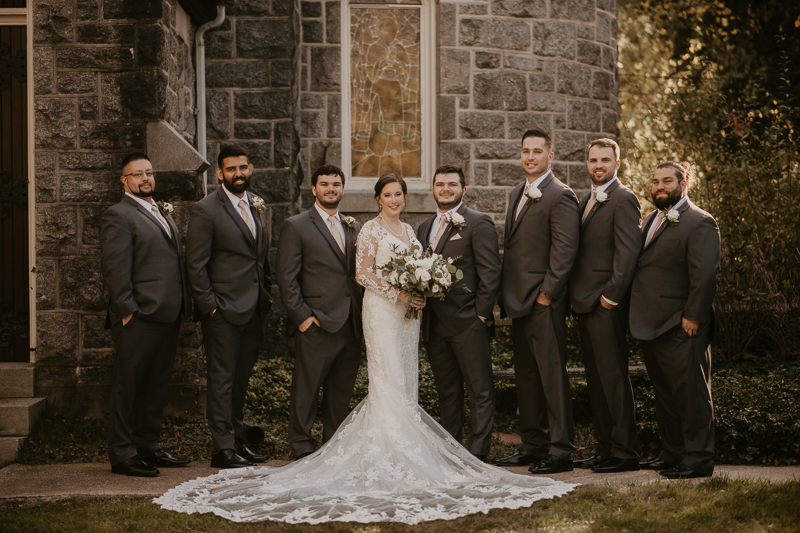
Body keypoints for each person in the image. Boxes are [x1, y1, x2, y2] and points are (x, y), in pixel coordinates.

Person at [155, 173, 576, 524]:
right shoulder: (369, 229)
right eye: (387, 194)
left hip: (409, 318)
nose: (394, 199)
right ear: (377, 199)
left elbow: (429, 272)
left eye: (399, 194)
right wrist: (400, 291)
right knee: (387, 380)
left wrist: (418, 293)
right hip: (380, 314)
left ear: (406, 199)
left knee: (405, 379)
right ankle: (383, 453)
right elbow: (363, 274)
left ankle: (414, 453)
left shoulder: (413, 230)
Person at [100, 152, 191, 477]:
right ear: (124, 181)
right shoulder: (118, 215)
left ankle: (147, 446)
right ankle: (123, 453)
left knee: (155, 386)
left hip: (167, 315)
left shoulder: (159, 210)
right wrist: (127, 312)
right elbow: (114, 268)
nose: (145, 179)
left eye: (149, 173)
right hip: (138, 317)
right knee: (129, 386)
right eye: (137, 174)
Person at [495, 128, 580, 474]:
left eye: (537, 151)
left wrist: (547, 294)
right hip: (518, 302)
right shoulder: (517, 192)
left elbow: (565, 250)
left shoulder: (560, 195)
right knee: (527, 377)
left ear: (551, 156)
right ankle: (533, 445)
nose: (530, 157)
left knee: (551, 377)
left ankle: (561, 451)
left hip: (543, 303)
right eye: (525, 151)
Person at [630, 162, 720, 479]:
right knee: (666, 395)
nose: (659, 186)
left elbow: (704, 275)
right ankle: (672, 454)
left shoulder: (700, 222)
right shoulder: (651, 219)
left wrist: (693, 316)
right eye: (655, 182)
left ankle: (698, 459)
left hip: (682, 324)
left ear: (684, 183)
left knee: (692, 393)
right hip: (652, 324)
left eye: (667, 181)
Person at [185, 145, 273, 469]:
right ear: (219, 173)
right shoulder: (206, 210)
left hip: (253, 309)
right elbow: (195, 266)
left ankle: (237, 439)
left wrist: (267, 295)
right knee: (221, 380)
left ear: (250, 168)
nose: (239, 173)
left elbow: (259, 258)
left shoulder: (257, 206)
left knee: (239, 380)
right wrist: (210, 308)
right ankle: (222, 448)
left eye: (243, 167)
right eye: (231, 169)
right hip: (222, 311)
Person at [276, 164, 363, 459]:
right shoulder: (296, 225)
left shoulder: (352, 226)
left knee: (340, 393)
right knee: (307, 390)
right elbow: (286, 278)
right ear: (313, 189)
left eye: (336, 184)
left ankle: (333, 447)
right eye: (324, 184)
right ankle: (301, 445)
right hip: (316, 324)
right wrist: (302, 318)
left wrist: (363, 322)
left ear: (342, 188)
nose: (330, 189)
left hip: (350, 324)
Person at [417, 164, 501, 462]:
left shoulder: (478, 223)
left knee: (479, 392)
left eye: (452, 184)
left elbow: (491, 273)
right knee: (448, 394)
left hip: (467, 322)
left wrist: (480, 314)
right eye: (440, 184)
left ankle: (477, 455)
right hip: (435, 325)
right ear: (433, 189)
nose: (446, 189)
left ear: (463, 189)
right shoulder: (424, 227)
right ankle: (450, 454)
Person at [569, 139, 642, 473]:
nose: (598, 165)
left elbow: (627, 254)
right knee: (596, 380)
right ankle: (605, 449)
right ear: (587, 163)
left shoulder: (624, 198)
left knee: (613, 378)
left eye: (605, 160)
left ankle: (625, 453)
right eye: (593, 160)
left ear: (617, 162)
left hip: (604, 304)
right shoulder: (588, 198)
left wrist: (610, 298)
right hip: (585, 303)